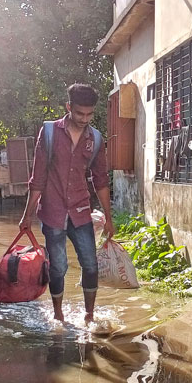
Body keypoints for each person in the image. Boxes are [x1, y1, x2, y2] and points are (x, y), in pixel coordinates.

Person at [19, 84, 115, 324]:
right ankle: (59, 315)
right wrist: (26, 216)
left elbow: (101, 181)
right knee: (58, 266)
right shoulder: (49, 132)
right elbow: (38, 179)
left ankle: (89, 316)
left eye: (90, 114)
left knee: (90, 265)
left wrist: (109, 217)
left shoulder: (95, 139)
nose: (85, 119)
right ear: (68, 107)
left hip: (81, 211)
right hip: (53, 211)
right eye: (80, 113)